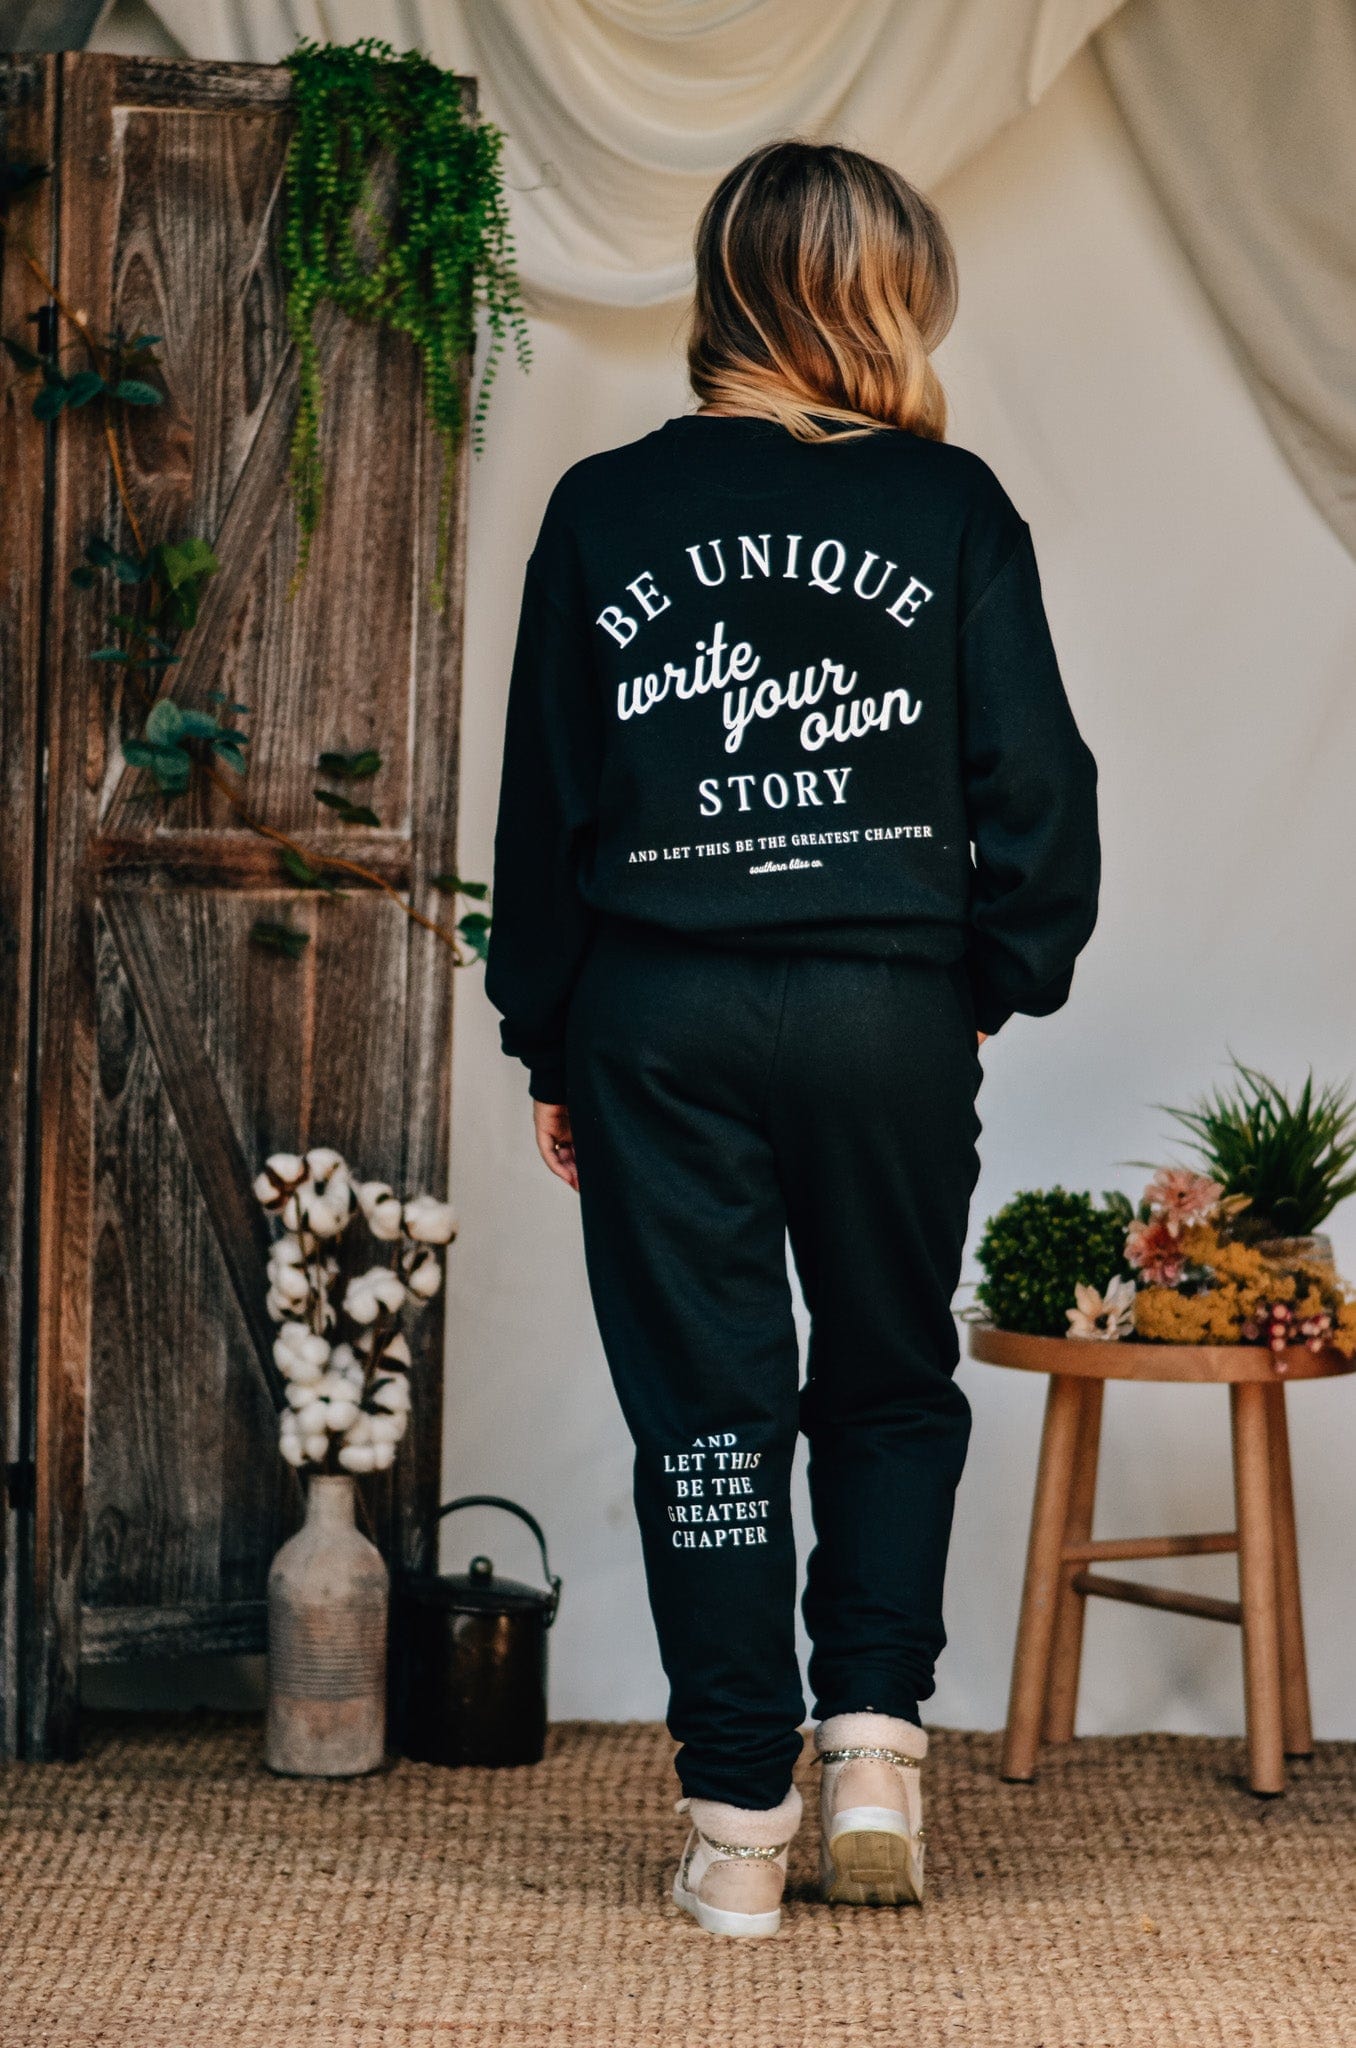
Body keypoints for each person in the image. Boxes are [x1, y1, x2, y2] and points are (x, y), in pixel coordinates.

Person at [485, 139, 1100, 1939]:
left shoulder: (604, 509)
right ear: (881, 300)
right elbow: (1042, 796)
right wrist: (978, 987)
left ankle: (741, 1826)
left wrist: (549, 1043)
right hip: (882, 1009)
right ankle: (878, 1749)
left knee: (709, 1414)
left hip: (657, 1015)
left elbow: (546, 810)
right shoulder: (951, 506)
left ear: (725, 292)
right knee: (890, 1379)